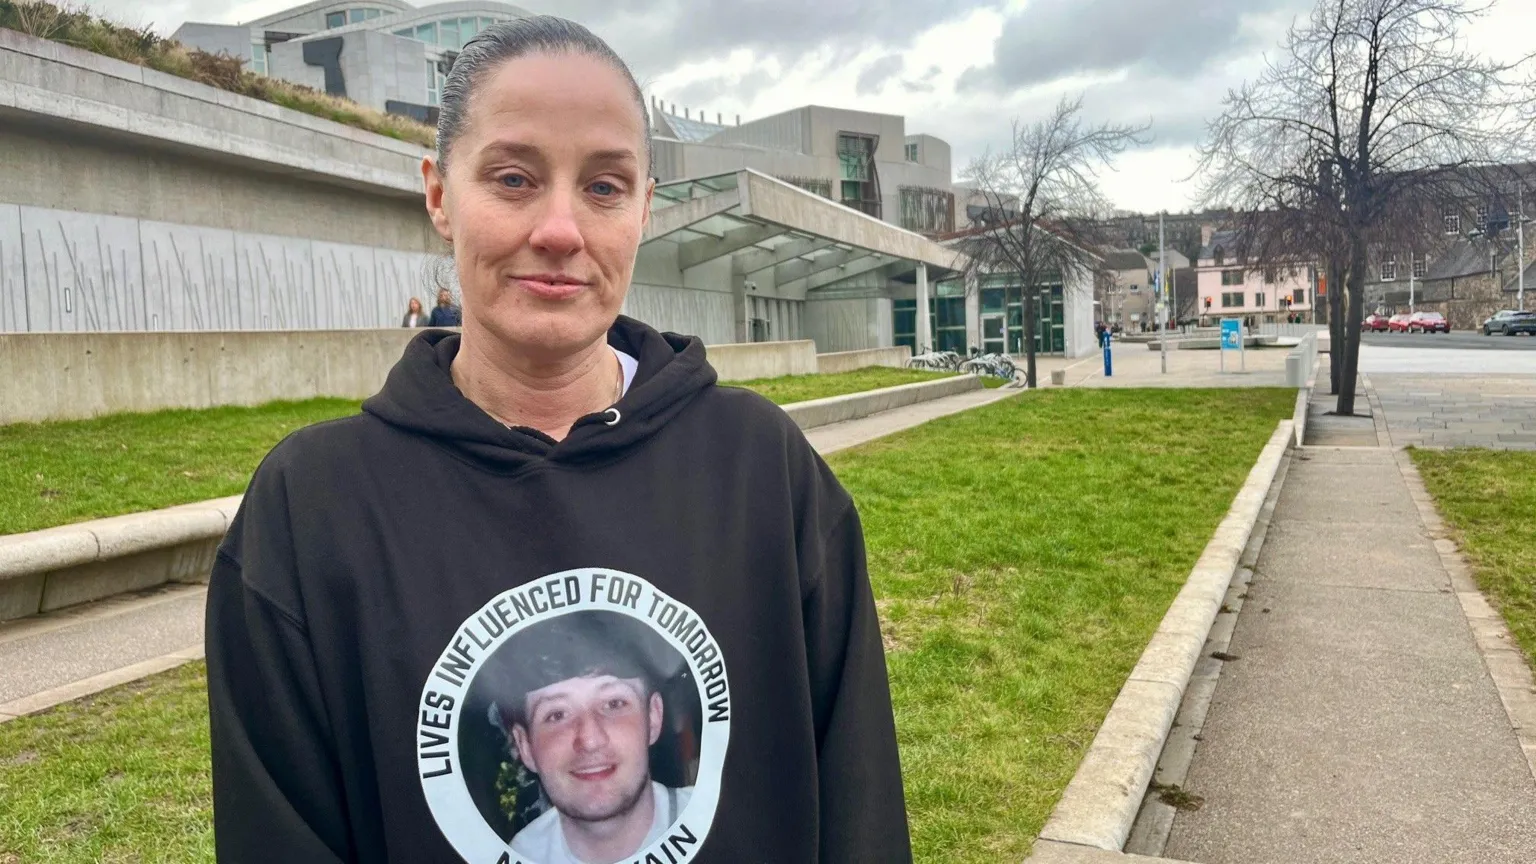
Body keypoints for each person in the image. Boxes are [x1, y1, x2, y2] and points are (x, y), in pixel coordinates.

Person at [205, 15, 910, 864]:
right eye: (512, 178)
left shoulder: (762, 471)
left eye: (605, 188)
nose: (561, 230)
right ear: (438, 194)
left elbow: (861, 811)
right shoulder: (310, 509)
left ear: (645, 210)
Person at [484, 613, 692, 864]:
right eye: (557, 714)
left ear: (653, 717)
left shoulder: (723, 826)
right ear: (525, 746)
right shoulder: (519, 856)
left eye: (614, 704)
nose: (590, 739)